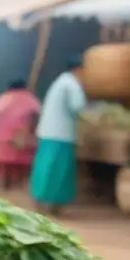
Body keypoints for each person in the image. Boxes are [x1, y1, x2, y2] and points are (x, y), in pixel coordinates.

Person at [29, 57, 87, 215]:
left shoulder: (60, 81)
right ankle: (54, 204)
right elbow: (78, 107)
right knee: (59, 170)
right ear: (79, 69)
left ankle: (39, 200)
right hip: (62, 134)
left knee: (45, 166)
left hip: (48, 132)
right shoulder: (72, 84)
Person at [0, 79, 41, 190]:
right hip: (23, 138)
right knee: (22, 160)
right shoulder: (32, 100)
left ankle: (4, 180)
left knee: (3, 160)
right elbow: (36, 117)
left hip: (1, 139)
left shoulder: (2, 99)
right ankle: (19, 181)